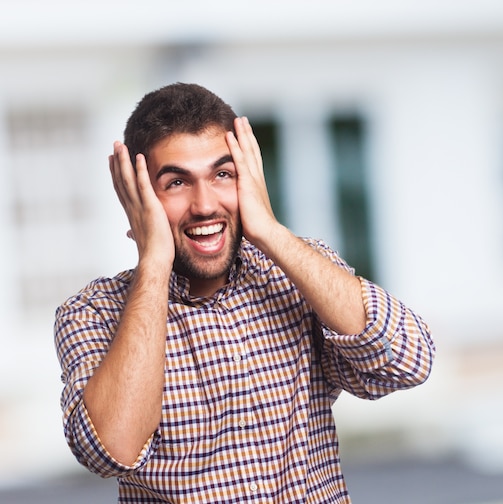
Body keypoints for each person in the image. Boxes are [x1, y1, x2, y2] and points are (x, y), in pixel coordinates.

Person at [54, 82, 435, 503]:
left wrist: (269, 229)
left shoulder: (298, 271)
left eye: (222, 175)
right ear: (137, 195)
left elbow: (407, 363)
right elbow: (111, 452)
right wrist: (155, 264)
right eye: (177, 183)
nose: (204, 205)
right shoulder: (92, 313)